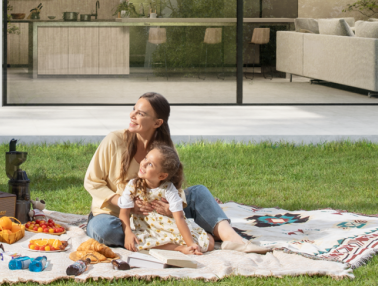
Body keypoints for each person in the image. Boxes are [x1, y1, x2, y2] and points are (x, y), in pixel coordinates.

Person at [84, 92, 269, 253]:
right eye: (134, 109)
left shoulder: (165, 149)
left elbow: (174, 186)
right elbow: (92, 182)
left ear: (157, 122)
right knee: (103, 230)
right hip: (116, 215)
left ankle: (233, 240)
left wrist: (171, 208)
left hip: (157, 217)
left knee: (198, 193)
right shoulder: (114, 140)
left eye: (140, 113)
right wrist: (127, 205)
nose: (132, 115)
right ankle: (181, 238)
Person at [118, 145, 214, 255]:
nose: (143, 164)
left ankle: (206, 237)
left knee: (208, 244)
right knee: (135, 244)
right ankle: (178, 248)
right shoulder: (133, 186)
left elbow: (179, 218)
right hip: (148, 230)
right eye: (145, 158)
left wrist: (191, 244)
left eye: (150, 164)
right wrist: (128, 233)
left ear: (162, 176)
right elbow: (123, 213)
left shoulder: (168, 189)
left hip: (170, 228)